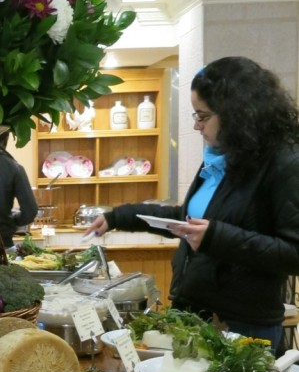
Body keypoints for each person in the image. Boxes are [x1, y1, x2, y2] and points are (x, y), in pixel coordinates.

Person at [87, 57, 299, 348]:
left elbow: (292, 253)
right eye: (194, 115)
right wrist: (120, 216)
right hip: (194, 312)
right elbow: (188, 220)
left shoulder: (284, 163)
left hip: (242, 324)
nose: (197, 126)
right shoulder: (223, 156)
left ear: (237, 115)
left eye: (203, 116)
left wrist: (216, 237)